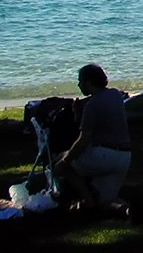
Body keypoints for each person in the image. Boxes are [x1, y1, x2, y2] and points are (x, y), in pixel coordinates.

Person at [54, 64, 131, 215]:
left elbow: (84, 140)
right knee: (105, 202)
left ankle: (88, 201)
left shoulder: (92, 105)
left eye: (80, 81)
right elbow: (102, 120)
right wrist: (79, 115)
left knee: (63, 161)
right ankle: (126, 209)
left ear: (88, 82)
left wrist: (65, 160)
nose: (79, 85)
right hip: (124, 156)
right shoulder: (115, 95)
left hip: (104, 155)